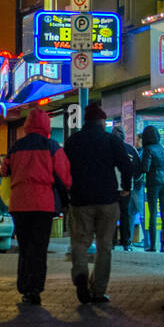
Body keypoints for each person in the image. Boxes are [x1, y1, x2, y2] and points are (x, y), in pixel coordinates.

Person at [63, 103, 132, 304]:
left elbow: (64, 169)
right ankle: (99, 290)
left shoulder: (73, 141)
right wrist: (126, 187)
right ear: (102, 121)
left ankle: (81, 275)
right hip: (108, 199)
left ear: (86, 121)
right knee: (105, 246)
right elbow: (126, 166)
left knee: (80, 242)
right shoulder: (111, 140)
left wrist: (67, 192)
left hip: (80, 199)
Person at [3, 109, 73, 305]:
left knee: (25, 247)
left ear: (27, 125)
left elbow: (4, 170)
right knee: (39, 247)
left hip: (19, 203)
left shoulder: (16, 147)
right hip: (43, 204)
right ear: (46, 126)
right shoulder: (52, 147)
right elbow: (65, 176)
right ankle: (35, 289)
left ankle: (24, 285)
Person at [140, 125, 164, 253]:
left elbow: (145, 168)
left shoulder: (148, 149)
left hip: (153, 183)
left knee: (152, 214)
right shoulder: (162, 148)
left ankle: (153, 245)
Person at [111, 126, 142, 252]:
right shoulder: (131, 149)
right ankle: (126, 242)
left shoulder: (107, 148)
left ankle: (111, 242)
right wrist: (132, 182)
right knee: (125, 215)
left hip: (111, 187)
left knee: (111, 215)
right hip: (126, 188)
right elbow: (138, 169)